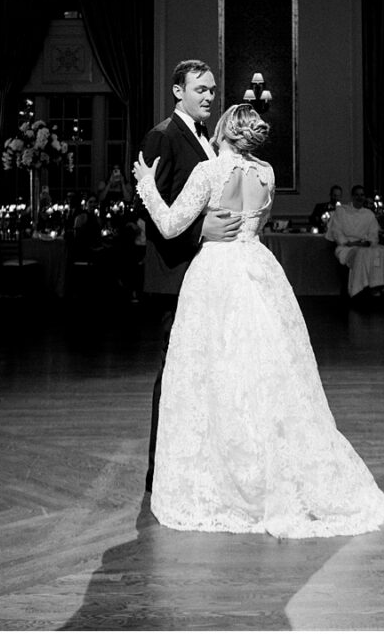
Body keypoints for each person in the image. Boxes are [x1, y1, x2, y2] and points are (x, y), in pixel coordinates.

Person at [134, 103, 384, 537]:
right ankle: (271, 466)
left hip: (216, 272)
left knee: (215, 372)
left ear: (223, 130)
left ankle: (229, 473)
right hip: (257, 266)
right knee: (266, 370)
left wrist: (147, 185)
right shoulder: (268, 174)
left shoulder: (210, 172)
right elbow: (259, 221)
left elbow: (170, 224)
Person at [137, 59, 241, 493]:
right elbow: (146, 206)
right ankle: (159, 473)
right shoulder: (163, 135)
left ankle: (198, 465)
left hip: (203, 276)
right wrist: (202, 232)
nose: (209, 97)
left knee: (204, 374)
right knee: (174, 375)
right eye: (200, 89)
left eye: (213, 90)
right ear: (178, 91)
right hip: (173, 277)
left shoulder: (207, 141)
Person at [326, 184, 384, 298]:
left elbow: (373, 234)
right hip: (346, 247)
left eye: (362, 195)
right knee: (361, 254)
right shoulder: (342, 211)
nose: (359, 197)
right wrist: (349, 243)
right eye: (357, 195)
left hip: (365, 245)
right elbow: (336, 231)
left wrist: (366, 243)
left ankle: (380, 285)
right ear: (352, 197)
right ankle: (358, 289)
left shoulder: (369, 214)